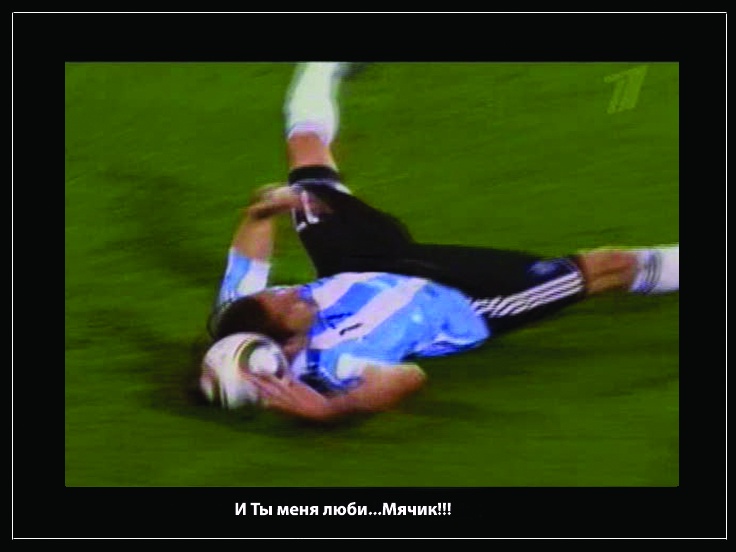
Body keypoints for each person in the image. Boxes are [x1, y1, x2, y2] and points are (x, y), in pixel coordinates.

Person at [203, 62, 679, 422]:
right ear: (287, 347)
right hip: (460, 298)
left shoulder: (239, 315)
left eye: (280, 291)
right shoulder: (334, 363)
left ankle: (323, 64)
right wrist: (333, 410)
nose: (292, 290)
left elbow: (250, 250)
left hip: (368, 263)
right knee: (605, 267)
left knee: (306, 158)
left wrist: (264, 210)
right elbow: (407, 379)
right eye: (288, 304)